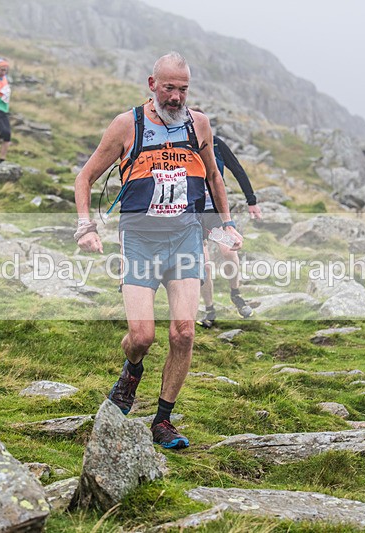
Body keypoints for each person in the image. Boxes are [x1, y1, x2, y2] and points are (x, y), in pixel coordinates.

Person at [74, 52, 243, 449]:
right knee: (141, 336)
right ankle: (131, 372)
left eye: (183, 89)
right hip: (140, 240)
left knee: (184, 333)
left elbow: (214, 176)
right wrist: (86, 226)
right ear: (152, 84)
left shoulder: (199, 124)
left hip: (185, 238)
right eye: (168, 88)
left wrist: (227, 223)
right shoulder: (127, 124)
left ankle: (163, 421)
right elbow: (85, 177)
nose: (176, 97)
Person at [197, 133, 263, 327]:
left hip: (214, 213)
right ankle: (210, 310)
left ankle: (236, 294)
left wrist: (251, 201)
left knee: (228, 250)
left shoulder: (216, 143)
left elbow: (237, 169)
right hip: (193, 215)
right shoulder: (179, 143)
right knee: (204, 264)